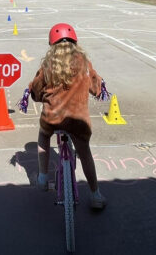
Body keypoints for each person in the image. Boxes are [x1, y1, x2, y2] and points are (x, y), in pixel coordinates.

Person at [28, 23, 107, 209]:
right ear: (74, 42)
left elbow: (36, 90)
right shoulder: (84, 64)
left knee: (43, 137)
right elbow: (96, 88)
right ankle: (95, 195)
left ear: (52, 44)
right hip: (78, 121)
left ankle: (42, 177)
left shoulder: (47, 65)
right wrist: (97, 87)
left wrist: (36, 94)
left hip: (52, 119)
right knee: (85, 153)